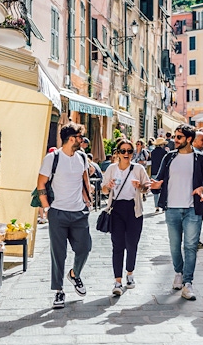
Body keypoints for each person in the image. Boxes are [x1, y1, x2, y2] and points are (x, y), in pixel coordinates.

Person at [150, 125, 203, 300]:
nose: (175, 140)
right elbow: (159, 179)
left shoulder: (199, 159)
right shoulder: (169, 157)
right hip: (172, 208)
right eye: (175, 137)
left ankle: (188, 282)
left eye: (178, 137)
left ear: (189, 139)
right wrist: (155, 185)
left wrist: (202, 188)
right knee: (174, 246)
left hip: (193, 209)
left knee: (191, 246)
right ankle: (178, 272)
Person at [36, 123, 93, 309]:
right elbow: (41, 183)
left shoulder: (82, 157)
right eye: (80, 137)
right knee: (58, 254)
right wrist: (46, 208)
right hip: (58, 213)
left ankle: (75, 274)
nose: (82, 141)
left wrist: (88, 201)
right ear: (71, 138)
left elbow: (85, 181)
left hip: (79, 213)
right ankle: (59, 291)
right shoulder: (52, 158)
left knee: (84, 248)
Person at [101, 140, 151, 295]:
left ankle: (130, 273)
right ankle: (117, 281)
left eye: (129, 151)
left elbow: (147, 188)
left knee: (132, 244)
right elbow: (103, 190)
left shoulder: (138, 169)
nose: (127, 154)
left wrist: (140, 187)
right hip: (116, 210)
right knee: (117, 246)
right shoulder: (111, 169)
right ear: (118, 153)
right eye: (123, 151)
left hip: (133, 209)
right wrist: (108, 186)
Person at [192, 130, 203, 250]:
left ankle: (195, 240)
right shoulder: (198, 156)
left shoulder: (201, 154)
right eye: (202, 140)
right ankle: (194, 240)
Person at [150, 137, 169, 213]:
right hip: (162, 172)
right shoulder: (164, 152)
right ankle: (163, 205)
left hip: (154, 171)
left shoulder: (152, 152)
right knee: (163, 189)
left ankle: (156, 206)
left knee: (155, 190)